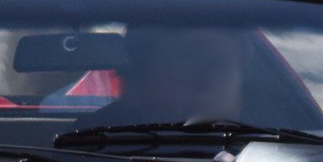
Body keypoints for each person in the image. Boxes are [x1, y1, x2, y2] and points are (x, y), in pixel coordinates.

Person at [79, 24, 250, 127]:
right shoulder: (84, 145)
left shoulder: (268, 142)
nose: (208, 82)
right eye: (189, 65)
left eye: (220, 67)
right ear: (140, 74)